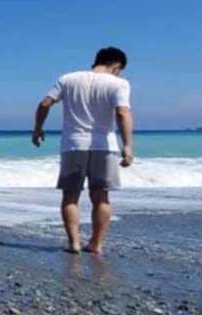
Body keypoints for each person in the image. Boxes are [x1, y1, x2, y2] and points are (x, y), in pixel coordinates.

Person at [32, 47, 133, 254]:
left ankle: (74, 243)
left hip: (73, 144)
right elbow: (122, 113)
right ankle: (96, 244)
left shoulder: (68, 79)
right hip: (104, 145)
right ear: (117, 67)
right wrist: (128, 146)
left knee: (70, 197)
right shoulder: (119, 84)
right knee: (101, 197)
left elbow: (44, 104)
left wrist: (38, 129)